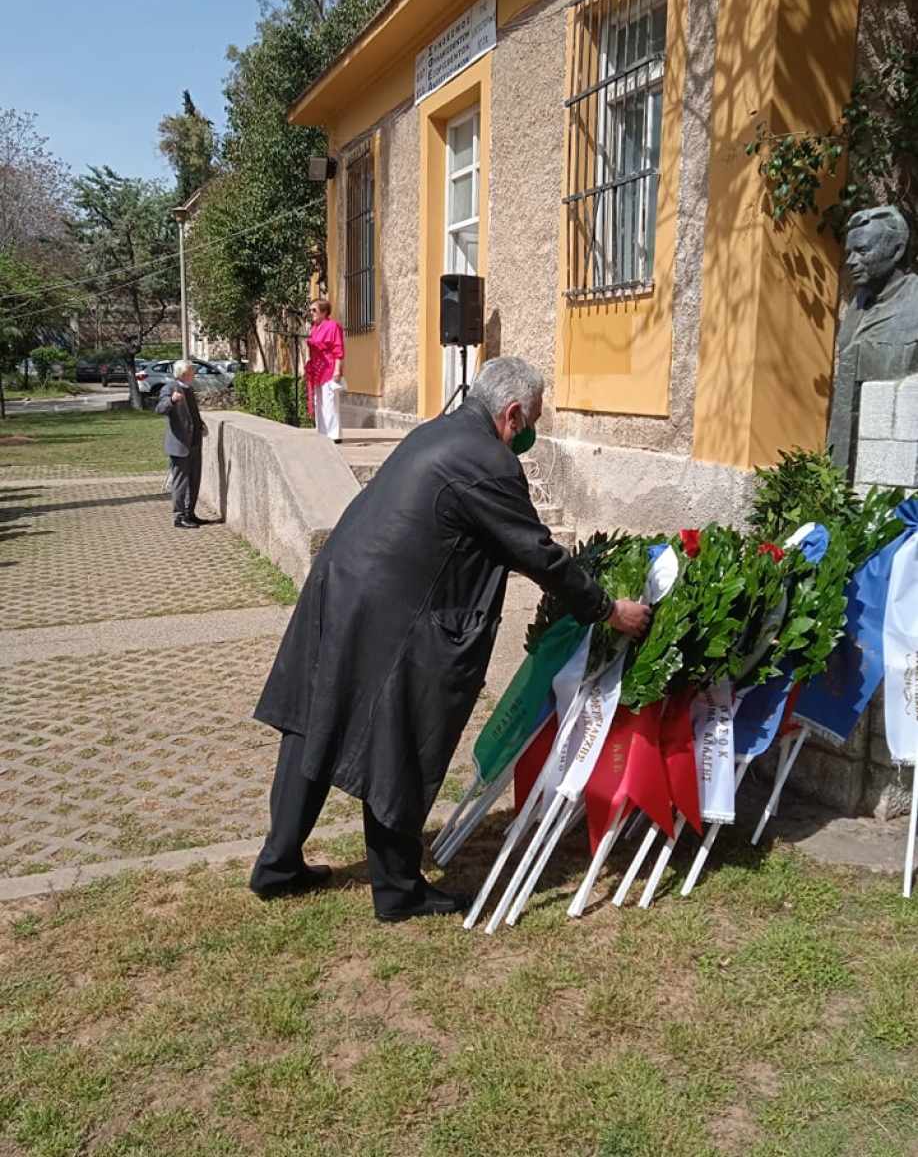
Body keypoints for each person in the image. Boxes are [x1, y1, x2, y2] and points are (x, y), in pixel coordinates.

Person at [249, 356, 651, 921]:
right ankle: (398, 891)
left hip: (341, 587)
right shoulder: (489, 461)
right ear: (511, 413)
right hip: (391, 612)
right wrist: (609, 609)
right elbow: (537, 553)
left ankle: (278, 864)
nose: (532, 429)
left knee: (315, 722)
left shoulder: (439, 429)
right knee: (399, 742)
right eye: (532, 418)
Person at [827, 205, 918, 477]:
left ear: (897, 250)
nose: (851, 261)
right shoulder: (858, 305)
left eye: (862, 251)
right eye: (849, 253)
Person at [156, 358, 209, 529]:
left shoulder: (189, 389)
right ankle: (179, 517)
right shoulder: (170, 388)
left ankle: (190, 513)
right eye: (193, 370)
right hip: (180, 445)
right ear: (184, 373)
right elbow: (160, 409)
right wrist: (171, 400)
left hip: (194, 442)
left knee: (194, 480)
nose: (195, 373)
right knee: (181, 482)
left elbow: (193, 413)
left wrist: (200, 423)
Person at [305, 298, 345, 441]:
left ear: (324, 311)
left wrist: (337, 369)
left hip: (329, 366)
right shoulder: (314, 328)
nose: (311, 312)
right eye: (310, 310)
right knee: (319, 401)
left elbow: (338, 348)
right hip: (317, 367)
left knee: (330, 401)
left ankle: (334, 434)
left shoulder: (333, 326)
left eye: (314, 310)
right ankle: (322, 432)